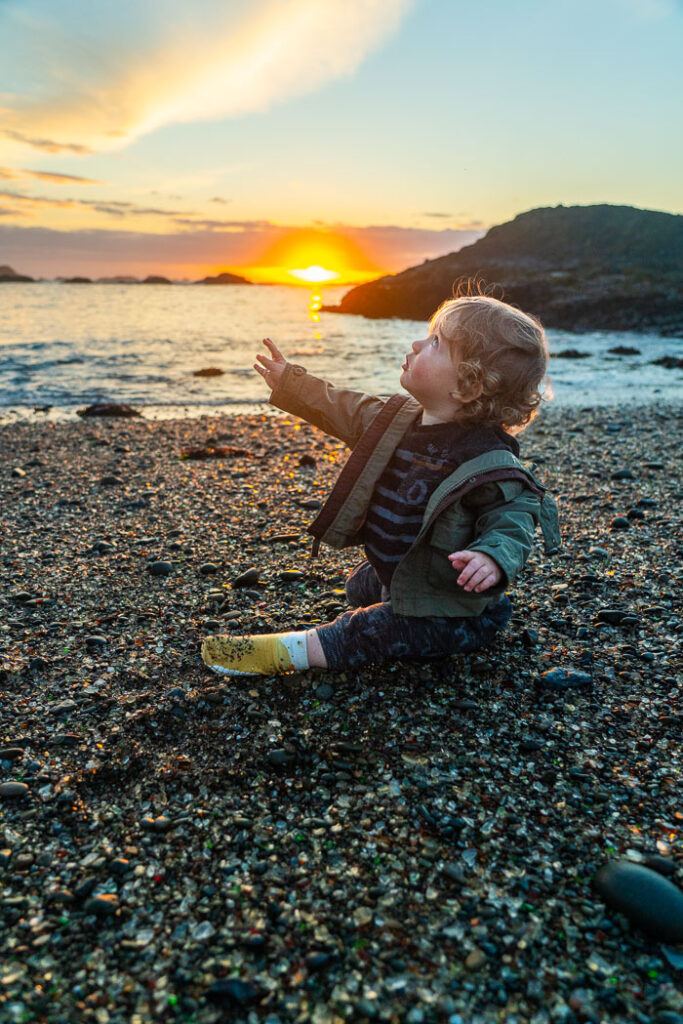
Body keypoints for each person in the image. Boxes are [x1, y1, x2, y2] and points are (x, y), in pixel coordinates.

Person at [201, 288, 561, 678]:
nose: (417, 343)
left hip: (455, 611)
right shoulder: (396, 420)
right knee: (359, 588)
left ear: (467, 386)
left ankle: (289, 652)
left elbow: (514, 519)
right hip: (404, 573)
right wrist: (292, 382)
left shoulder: (488, 461)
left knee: (365, 630)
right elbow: (343, 407)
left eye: (435, 343)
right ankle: (384, 598)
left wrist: (491, 557)